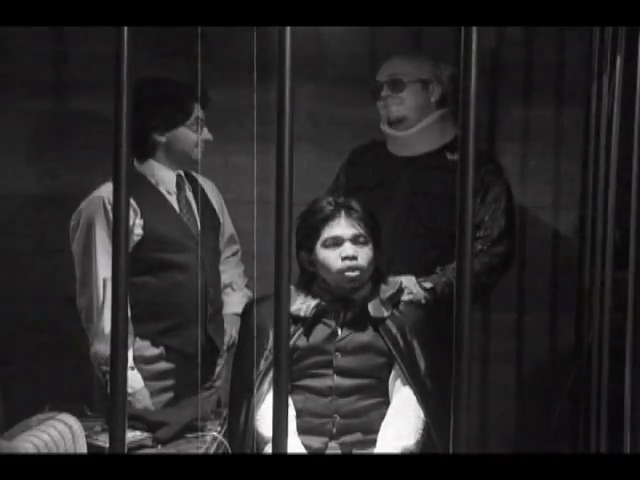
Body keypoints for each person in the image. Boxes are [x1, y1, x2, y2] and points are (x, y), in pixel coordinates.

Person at [326, 52, 516, 448]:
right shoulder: (362, 162)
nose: (383, 95)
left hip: (428, 333)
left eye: (396, 84)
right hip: (355, 323)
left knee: (414, 434)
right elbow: (324, 228)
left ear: (434, 91)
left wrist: (429, 287)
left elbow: (493, 247)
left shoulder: (473, 168)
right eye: (377, 89)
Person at [69, 76, 252, 443]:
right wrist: (130, 384)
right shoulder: (110, 203)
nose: (208, 136)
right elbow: (103, 305)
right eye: (196, 125)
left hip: (206, 382)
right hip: (149, 386)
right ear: (159, 131)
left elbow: (228, 256)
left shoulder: (206, 192)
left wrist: (232, 311)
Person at [230, 195, 439, 454]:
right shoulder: (273, 316)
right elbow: (264, 399)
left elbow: (409, 402)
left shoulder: (403, 316)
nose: (350, 253)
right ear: (309, 259)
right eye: (333, 244)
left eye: (360, 241)